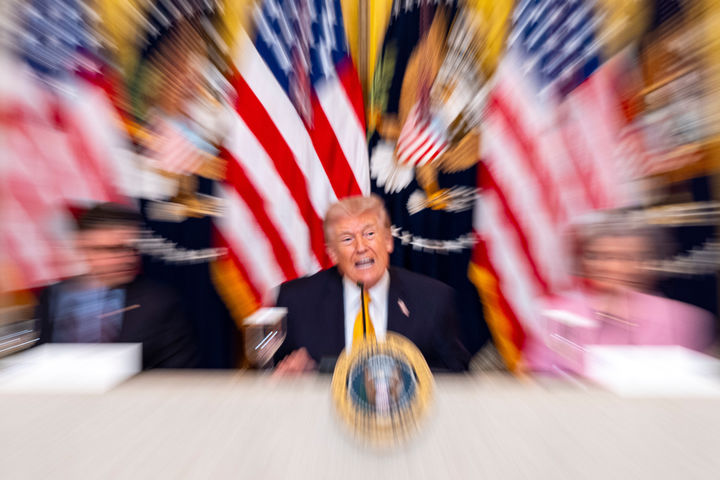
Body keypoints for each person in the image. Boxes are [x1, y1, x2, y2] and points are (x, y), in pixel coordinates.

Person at [274, 195, 469, 373]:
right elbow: (268, 376)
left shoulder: (433, 300)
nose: (361, 247)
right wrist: (290, 379)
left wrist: (407, 379)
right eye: (347, 239)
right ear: (333, 253)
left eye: (369, 234)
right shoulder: (297, 301)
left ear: (388, 241)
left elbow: (458, 377)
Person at [525, 214, 714, 374]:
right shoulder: (557, 316)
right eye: (598, 256)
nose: (611, 266)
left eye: (626, 257)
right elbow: (541, 382)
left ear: (647, 263)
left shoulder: (685, 321)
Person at [36, 203, 198, 369]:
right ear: (83, 247)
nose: (128, 259)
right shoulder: (52, 296)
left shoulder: (159, 302)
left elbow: (179, 372)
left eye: (132, 249)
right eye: (113, 249)